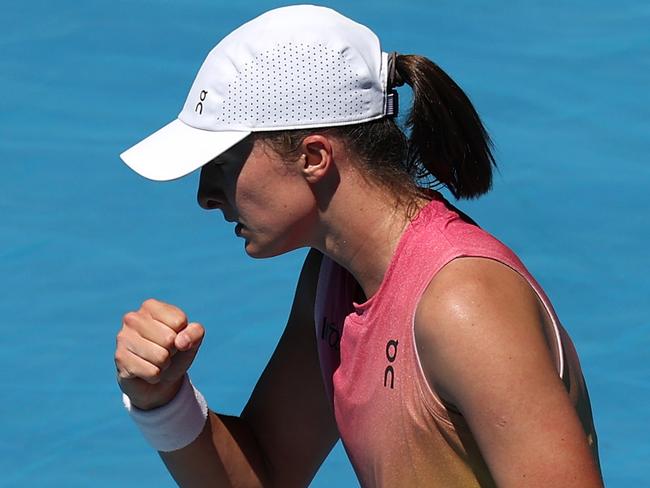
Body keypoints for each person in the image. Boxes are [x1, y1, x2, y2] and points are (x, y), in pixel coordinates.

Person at [115, 5, 603, 487]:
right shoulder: (329, 280)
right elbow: (268, 474)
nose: (205, 196)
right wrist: (164, 401)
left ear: (314, 156)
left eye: (222, 163)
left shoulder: (462, 307)